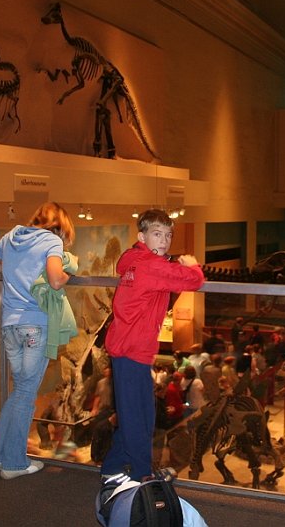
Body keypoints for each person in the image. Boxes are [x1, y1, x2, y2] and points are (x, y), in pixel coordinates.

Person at [99, 209, 204, 493]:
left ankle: (112, 467)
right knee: (138, 417)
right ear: (142, 236)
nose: (165, 241)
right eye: (157, 234)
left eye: (168, 235)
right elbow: (193, 281)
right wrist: (192, 265)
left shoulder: (136, 260)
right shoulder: (150, 265)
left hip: (132, 349)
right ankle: (142, 475)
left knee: (139, 412)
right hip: (132, 350)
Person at [0, 201, 77, 479]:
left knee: (19, 391)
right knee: (25, 393)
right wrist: (69, 272)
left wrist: (14, 269)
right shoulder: (51, 241)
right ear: (61, 227)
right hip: (35, 324)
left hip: (10, 325)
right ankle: (14, 463)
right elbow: (56, 280)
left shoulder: (13, 236)